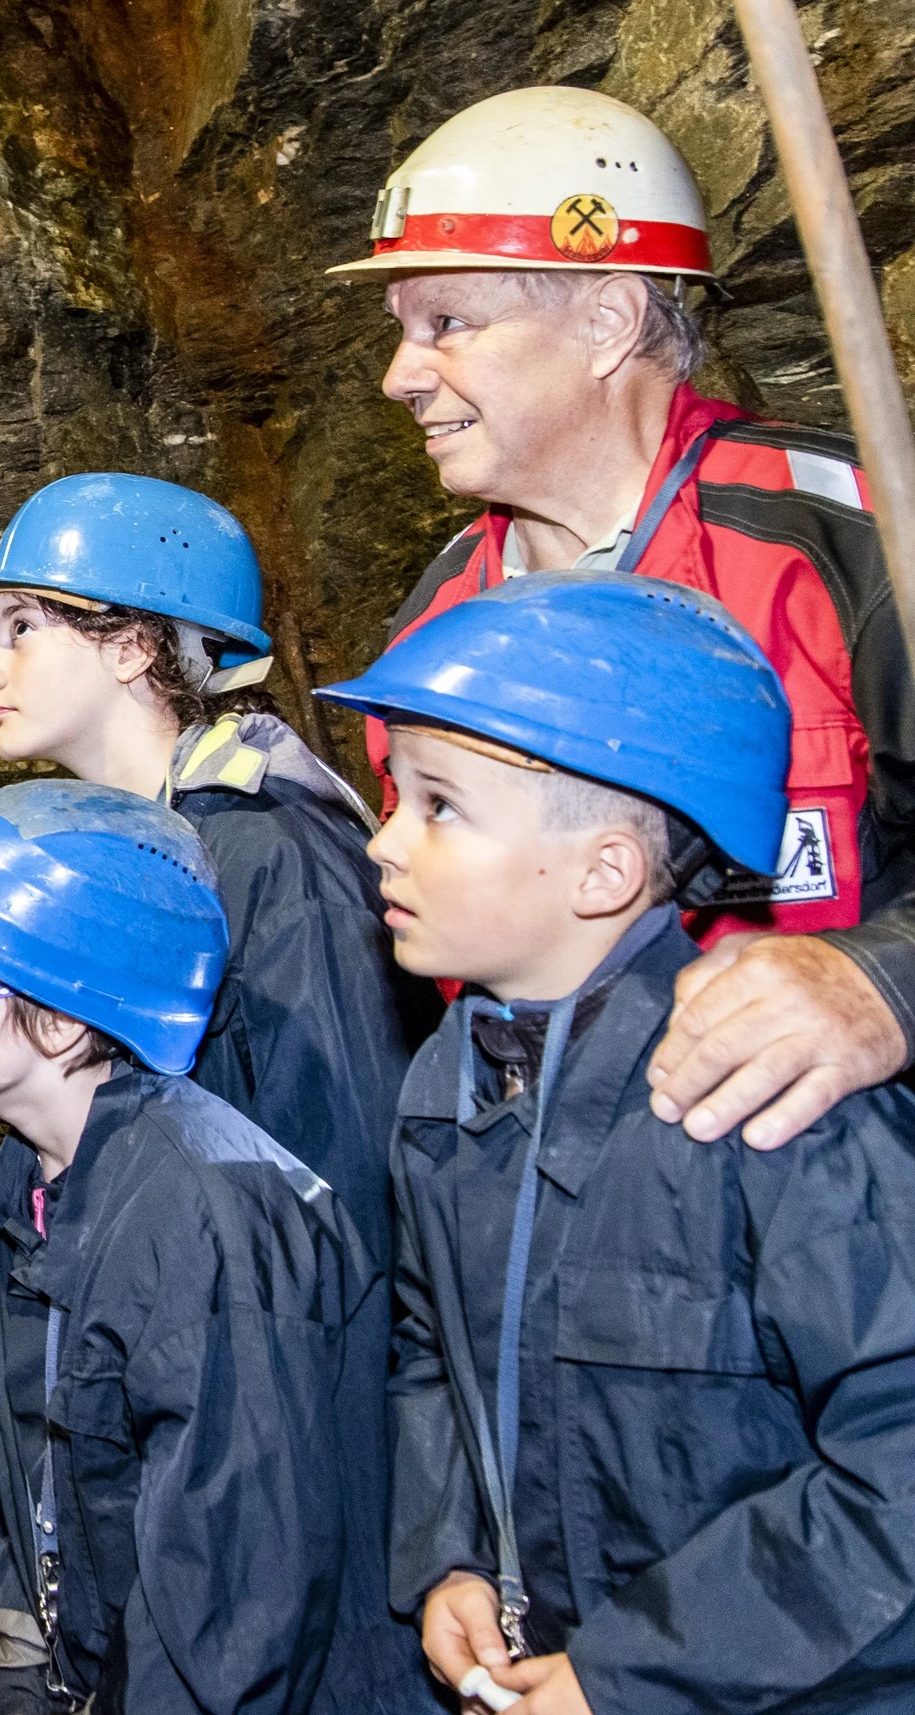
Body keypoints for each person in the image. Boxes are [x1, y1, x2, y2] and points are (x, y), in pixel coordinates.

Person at [317, 570, 915, 1712]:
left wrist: (633, 1671)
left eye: (437, 805)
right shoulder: (446, 1083)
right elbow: (431, 1344)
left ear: (606, 869)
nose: (381, 845)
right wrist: (448, 1549)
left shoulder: (761, 1095)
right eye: (396, 797)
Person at [331, 84, 915, 1152]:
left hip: (840, 1243)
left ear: (606, 319)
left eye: (445, 323)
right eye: (399, 330)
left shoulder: (851, 538)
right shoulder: (435, 630)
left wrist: (882, 983)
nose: (396, 376)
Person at [0, 784, 424, 1715]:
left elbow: (237, 1599)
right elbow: (21, 1470)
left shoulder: (204, 1213)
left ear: (66, 1016)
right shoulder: (29, 1179)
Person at [0, 471, 427, 1258]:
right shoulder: (136, 856)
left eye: (20, 627)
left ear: (132, 647)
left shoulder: (273, 852)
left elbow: (353, 1178)